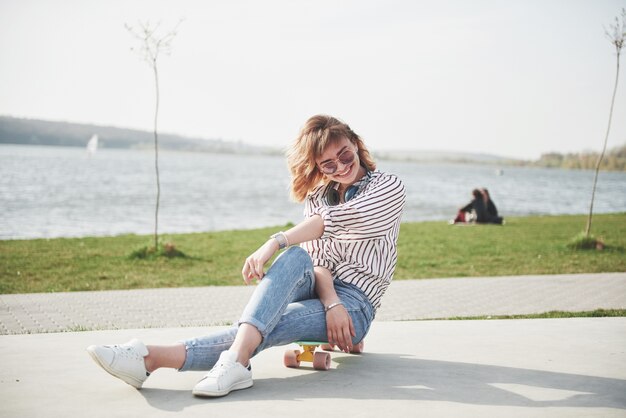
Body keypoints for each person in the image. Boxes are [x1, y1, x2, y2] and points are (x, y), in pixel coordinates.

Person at [86, 115, 406, 398]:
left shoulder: (388, 187)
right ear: (319, 168)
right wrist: (329, 301)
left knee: (272, 323)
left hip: (355, 306)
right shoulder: (320, 195)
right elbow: (319, 264)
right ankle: (235, 362)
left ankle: (150, 358)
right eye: (328, 165)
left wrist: (275, 242)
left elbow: (332, 222)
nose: (341, 167)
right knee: (295, 259)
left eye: (344, 154)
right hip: (329, 293)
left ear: (356, 143)